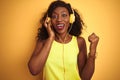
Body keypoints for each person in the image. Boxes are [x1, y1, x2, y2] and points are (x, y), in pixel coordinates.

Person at [28, 0, 99, 80]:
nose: (59, 19)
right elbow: (34, 70)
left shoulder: (79, 42)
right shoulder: (43, 42)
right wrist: (51, 38)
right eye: (54, 16)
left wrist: (92, 52)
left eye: (64, 15)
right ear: (49, 20)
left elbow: (85, 78)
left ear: (71, 19)